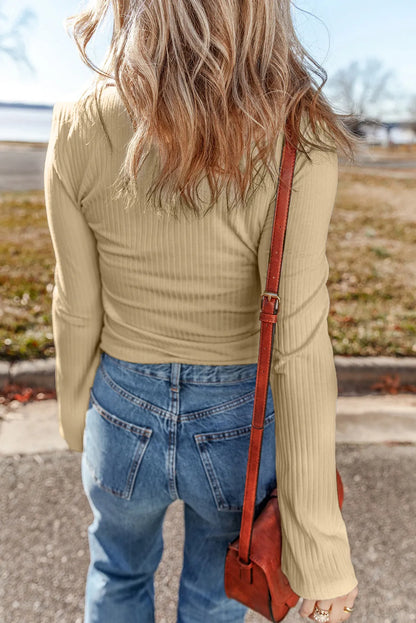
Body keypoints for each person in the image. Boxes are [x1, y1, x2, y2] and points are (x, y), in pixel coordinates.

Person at [44, 1, 361, 622]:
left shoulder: (78, 121)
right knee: (215, 597)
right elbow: (298, 346)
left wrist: (76, 419)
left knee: (115, 567)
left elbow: (74, 306)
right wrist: (320, 546)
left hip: (120, 408)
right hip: (238, 425)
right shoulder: (300, 134)